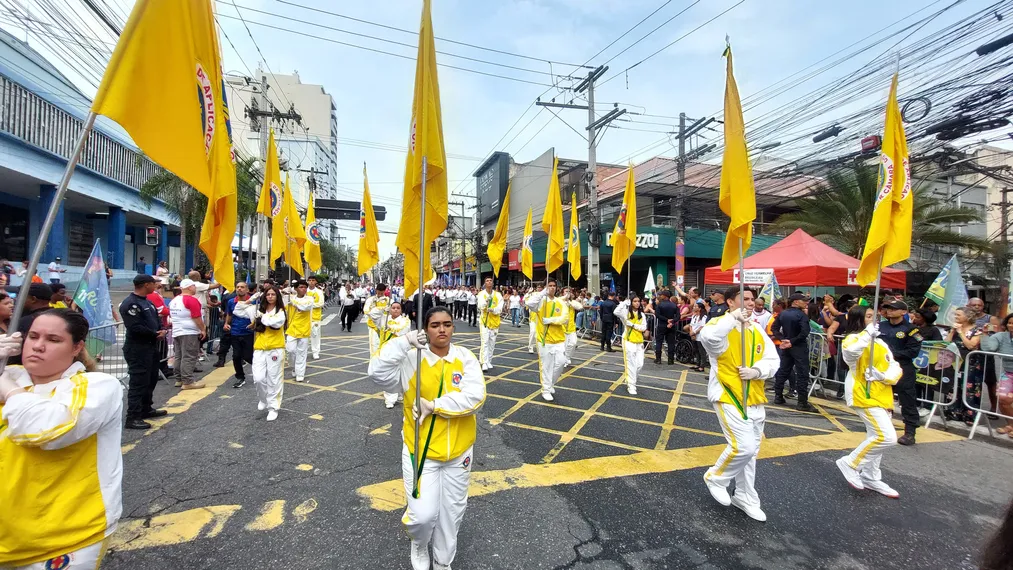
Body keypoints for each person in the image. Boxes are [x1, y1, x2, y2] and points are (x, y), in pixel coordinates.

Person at [0, 310, 123, 570]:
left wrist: (10, 392)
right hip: (7, 538)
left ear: (77, 347)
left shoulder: (97, 386)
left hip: (67, 537)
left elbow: (48, 430)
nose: (38, 346)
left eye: (53, 340)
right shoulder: (6, 375)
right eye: (33, 336)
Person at [367, 307, 486, 570]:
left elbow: (475, 397)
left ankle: (443, 563)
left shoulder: (465, 358)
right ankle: (419, 543)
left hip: (459, 452)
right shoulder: (412, 360)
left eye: (447, 324)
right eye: (435, 325)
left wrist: (435, 405)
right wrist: (404, 342)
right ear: (425, 329)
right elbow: (376, 373)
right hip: (420, 450)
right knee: (422, 516)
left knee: (451, 515)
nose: (442, 329)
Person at [698, 286, 779, 522]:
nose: (750, 303)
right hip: (728, 394)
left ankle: (745, 496)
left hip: (754, 396)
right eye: (744, 299)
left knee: (751, 453)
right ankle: (716, 477)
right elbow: (709, 338)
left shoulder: (755, 329)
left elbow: (773, 359)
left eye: (752, 299)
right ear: (730, 303)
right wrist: (733, 318)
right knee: (743, 447)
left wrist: (757, 371)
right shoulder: (720, 326)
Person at [834, 305, 902, 498]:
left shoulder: (881, 343)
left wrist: (884, 376)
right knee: (886, 437)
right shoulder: (853, 339)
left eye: (875, 316)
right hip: (863, 393)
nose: (874, 320)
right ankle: (851, 463)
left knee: (875, 436)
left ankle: (871, 476)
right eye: (869, 316)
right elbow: (851, 354)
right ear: (859, 319)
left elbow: (895, 366)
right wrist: (866, 335)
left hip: (883, 394)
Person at [119, 274, 167, 430]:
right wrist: (154, 334)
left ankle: (146, 408)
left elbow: (156, 319)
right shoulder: (130, 304)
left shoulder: (148, 302)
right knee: (138, 383)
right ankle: (132, 417)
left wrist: (161, 330)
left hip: (150, 347)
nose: (156, 286)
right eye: (154, 283)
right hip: (137, 348)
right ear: (146, 284)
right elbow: (135, 327)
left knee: (150, 379)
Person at [235, 286, 286, 421]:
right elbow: (238, 310)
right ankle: (263, 399)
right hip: (259, 348)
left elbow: (274, 323)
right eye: (267, 294)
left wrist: (261, 317)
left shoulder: (280, 311)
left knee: (274, 379)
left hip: (275, 348)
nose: (270, 297)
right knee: (258, 378)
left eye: (272, 294)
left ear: (277, 297)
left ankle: (273, 407)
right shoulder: (257, 309)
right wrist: (251, 299)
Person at [878, 299, 922, 445]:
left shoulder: (911, 329)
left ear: (903, 312)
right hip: (883, 368)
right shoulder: (880, 326)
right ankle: (882, 428)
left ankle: (910, 432)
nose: (889, 311)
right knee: (881, 398)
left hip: (903, 368)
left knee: (907, 400)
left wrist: (891, 354)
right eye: (888, 308)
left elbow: (913, 351)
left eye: (893, 308)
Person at [526, 279, 569, 401]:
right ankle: (545, 389)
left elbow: (565, 318)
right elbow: (529, 304)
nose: (552, 288)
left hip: (559, 339)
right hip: (544, 339)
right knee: (546, 366)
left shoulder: (560, 302)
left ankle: (550, 384)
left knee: (560, 363)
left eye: (554, 286)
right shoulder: (541, 302)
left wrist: (551, 320)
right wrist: (542, 293)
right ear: (545, 287)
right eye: (549, 286)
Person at [771, 293, 813, 411]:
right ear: (795, 302)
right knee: (802, 374)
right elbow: (805, 332)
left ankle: (778, 396)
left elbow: (774, 328)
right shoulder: (801, 315)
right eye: (803, 301)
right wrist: (791, 341)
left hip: (787, 345)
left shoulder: (783, 313)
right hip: (798, 346)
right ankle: (802, 402)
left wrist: (782, 339)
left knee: (783, 370)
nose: (806, 303)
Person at [947, 306, 984, 426]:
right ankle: (953, 411)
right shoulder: (954, 328)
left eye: (959, 315)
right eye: (955, 315)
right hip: (955, 361)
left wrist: (960, 332)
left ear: (968, 317)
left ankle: (969, 414)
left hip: (970, 363)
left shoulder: (977, 329)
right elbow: (945, 343)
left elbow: (971, 346)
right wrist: (952, 331)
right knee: (954, 386)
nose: (956, 317)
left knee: (969, 388)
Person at [169, 279, 207, 390]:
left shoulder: (175, 300)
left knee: (179, 356)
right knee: (189, 356)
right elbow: (196, 317)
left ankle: (179, 379)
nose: (195, 288)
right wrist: (203, 329)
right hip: (189, 331)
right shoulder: (191, 300)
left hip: (177, 330)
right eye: (194, 286)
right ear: (190, 287)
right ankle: (188, 381)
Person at [983, 313, 1013, 437]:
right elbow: (989, 348)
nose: (1011, 326)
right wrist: (985, 334)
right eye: (1010, 323)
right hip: (1009, 373)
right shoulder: (1000, 336)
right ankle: (1011, 424)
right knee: (1002, 398)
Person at [377, 301, 411, 409]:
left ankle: (400, 393)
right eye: (393, 308)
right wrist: (382, 310)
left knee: (401, 373)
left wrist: (389, 328)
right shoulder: (385, 318)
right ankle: (390, 399)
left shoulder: (405, 320)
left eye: (398, 308)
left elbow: (402, 330)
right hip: (387, 350)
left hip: (400, 350)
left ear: (401, 310)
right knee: (389, 374)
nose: (395, 310)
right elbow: (372, 315)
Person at [223, 281, 255, 389]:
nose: (239, 289)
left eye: (242, 287)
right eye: (238, 287)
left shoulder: (254, 301)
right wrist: (226, 323)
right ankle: (240, 377)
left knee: (248, 356)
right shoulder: (232, 302)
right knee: (236, 356)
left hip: (249, 333)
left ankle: (261, 371)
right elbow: (229, 314)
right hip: (235, 332)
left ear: (247, 290)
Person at [614, 295, 648, 395]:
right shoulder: (626, 313)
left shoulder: (642, 314)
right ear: (631, 302)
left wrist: (633, 325)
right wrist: (624, 302)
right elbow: (616, 312)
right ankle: (631, 385)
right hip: (628, 341)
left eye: (638, 301)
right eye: (635, 301)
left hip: (639, 341)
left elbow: (643, 328)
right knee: (631, 363)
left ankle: (629, 378)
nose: (637, 303)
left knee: (640, 364)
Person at [286, 280, 314, 383]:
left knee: (302, 353)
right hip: (292, 329)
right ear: (296, 288)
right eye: (301, 287)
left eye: (305, 287)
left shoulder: (310, 299)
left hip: (304, 329)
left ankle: (300, 373)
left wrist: (292, 301)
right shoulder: (290, 298)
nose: (303, 289)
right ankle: (294, 367)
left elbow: (304, 307)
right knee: (290, 350)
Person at [476, 277, 503, 372]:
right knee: (485, 342)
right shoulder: (481, 294)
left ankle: (489, 361)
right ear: (484, 283)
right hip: (485, 321)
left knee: (492, 343)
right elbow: (480, 306)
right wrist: (486, 302)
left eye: (490, 281)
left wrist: (493, 310)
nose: (489, 282)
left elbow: (500, 308)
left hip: (495, 322)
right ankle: (483, 362)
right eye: (487, 281)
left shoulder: (498, 295)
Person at [365, 283, 393, 357]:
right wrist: (379, 309)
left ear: (384, 291)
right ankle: (374, 362)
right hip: (373, 326)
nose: (380, 294)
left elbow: (394, 311)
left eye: (382, 293)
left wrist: (390, 310)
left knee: (386, 346)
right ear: (376, 290)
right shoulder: (371, 300)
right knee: (374, 345)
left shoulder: (388, 300)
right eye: (378, 292)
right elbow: (366, 311)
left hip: (385, 327)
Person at [654, 290, 679, 365]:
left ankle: (658, 359)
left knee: (659, 342)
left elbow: (657, 315)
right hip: (671, 326)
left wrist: (666, 320)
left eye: (661, 295)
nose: (660, 296)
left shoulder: (660, 305)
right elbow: (678, 316)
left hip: (662, 325)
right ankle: (670, 360)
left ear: (665, 296)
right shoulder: (674, 305)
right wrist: (672, 321)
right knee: (671, 343)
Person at [562, 288, 583, 367]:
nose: (568, 293)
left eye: (569, 291)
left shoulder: (572, 302)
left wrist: (570, 303)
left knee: (573, 343)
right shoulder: (559, 301)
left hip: (571, 327)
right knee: (564, 346)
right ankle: (564, 359)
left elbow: (580, 307)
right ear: (562, 293)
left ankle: (567, 357)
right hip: (561, 328)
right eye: (566, 291)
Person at [307, 276, 326, 360]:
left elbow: (321, 303)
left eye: (313, 280)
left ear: (315, 282)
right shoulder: (304, 291)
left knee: (315, 335)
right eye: (309, 280)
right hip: (305, 317)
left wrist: (309, 305)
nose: (311, 282)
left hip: (315, 317)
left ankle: (315, 352)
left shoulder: (319, 292)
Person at [686, 302, 708, 372]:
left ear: (700, 308)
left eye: (696, 306)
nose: (694, 307)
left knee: (701, 351)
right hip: (694, 335)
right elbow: (691, 325)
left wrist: (695, 332)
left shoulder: (704, 317)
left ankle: (702, 366)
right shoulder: (694, 316)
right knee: (696, 350)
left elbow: (702, 326)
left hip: (700, 336)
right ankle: (697, 363)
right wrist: (691, 332)